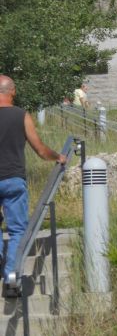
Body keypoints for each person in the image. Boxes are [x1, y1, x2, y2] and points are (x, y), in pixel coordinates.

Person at [0, 76, 67, 282]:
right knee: (18, 229)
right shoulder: (21, 116)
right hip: (13, 179)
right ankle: (12, 275)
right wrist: (58, 157)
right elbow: (40, 149)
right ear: (13, 91)